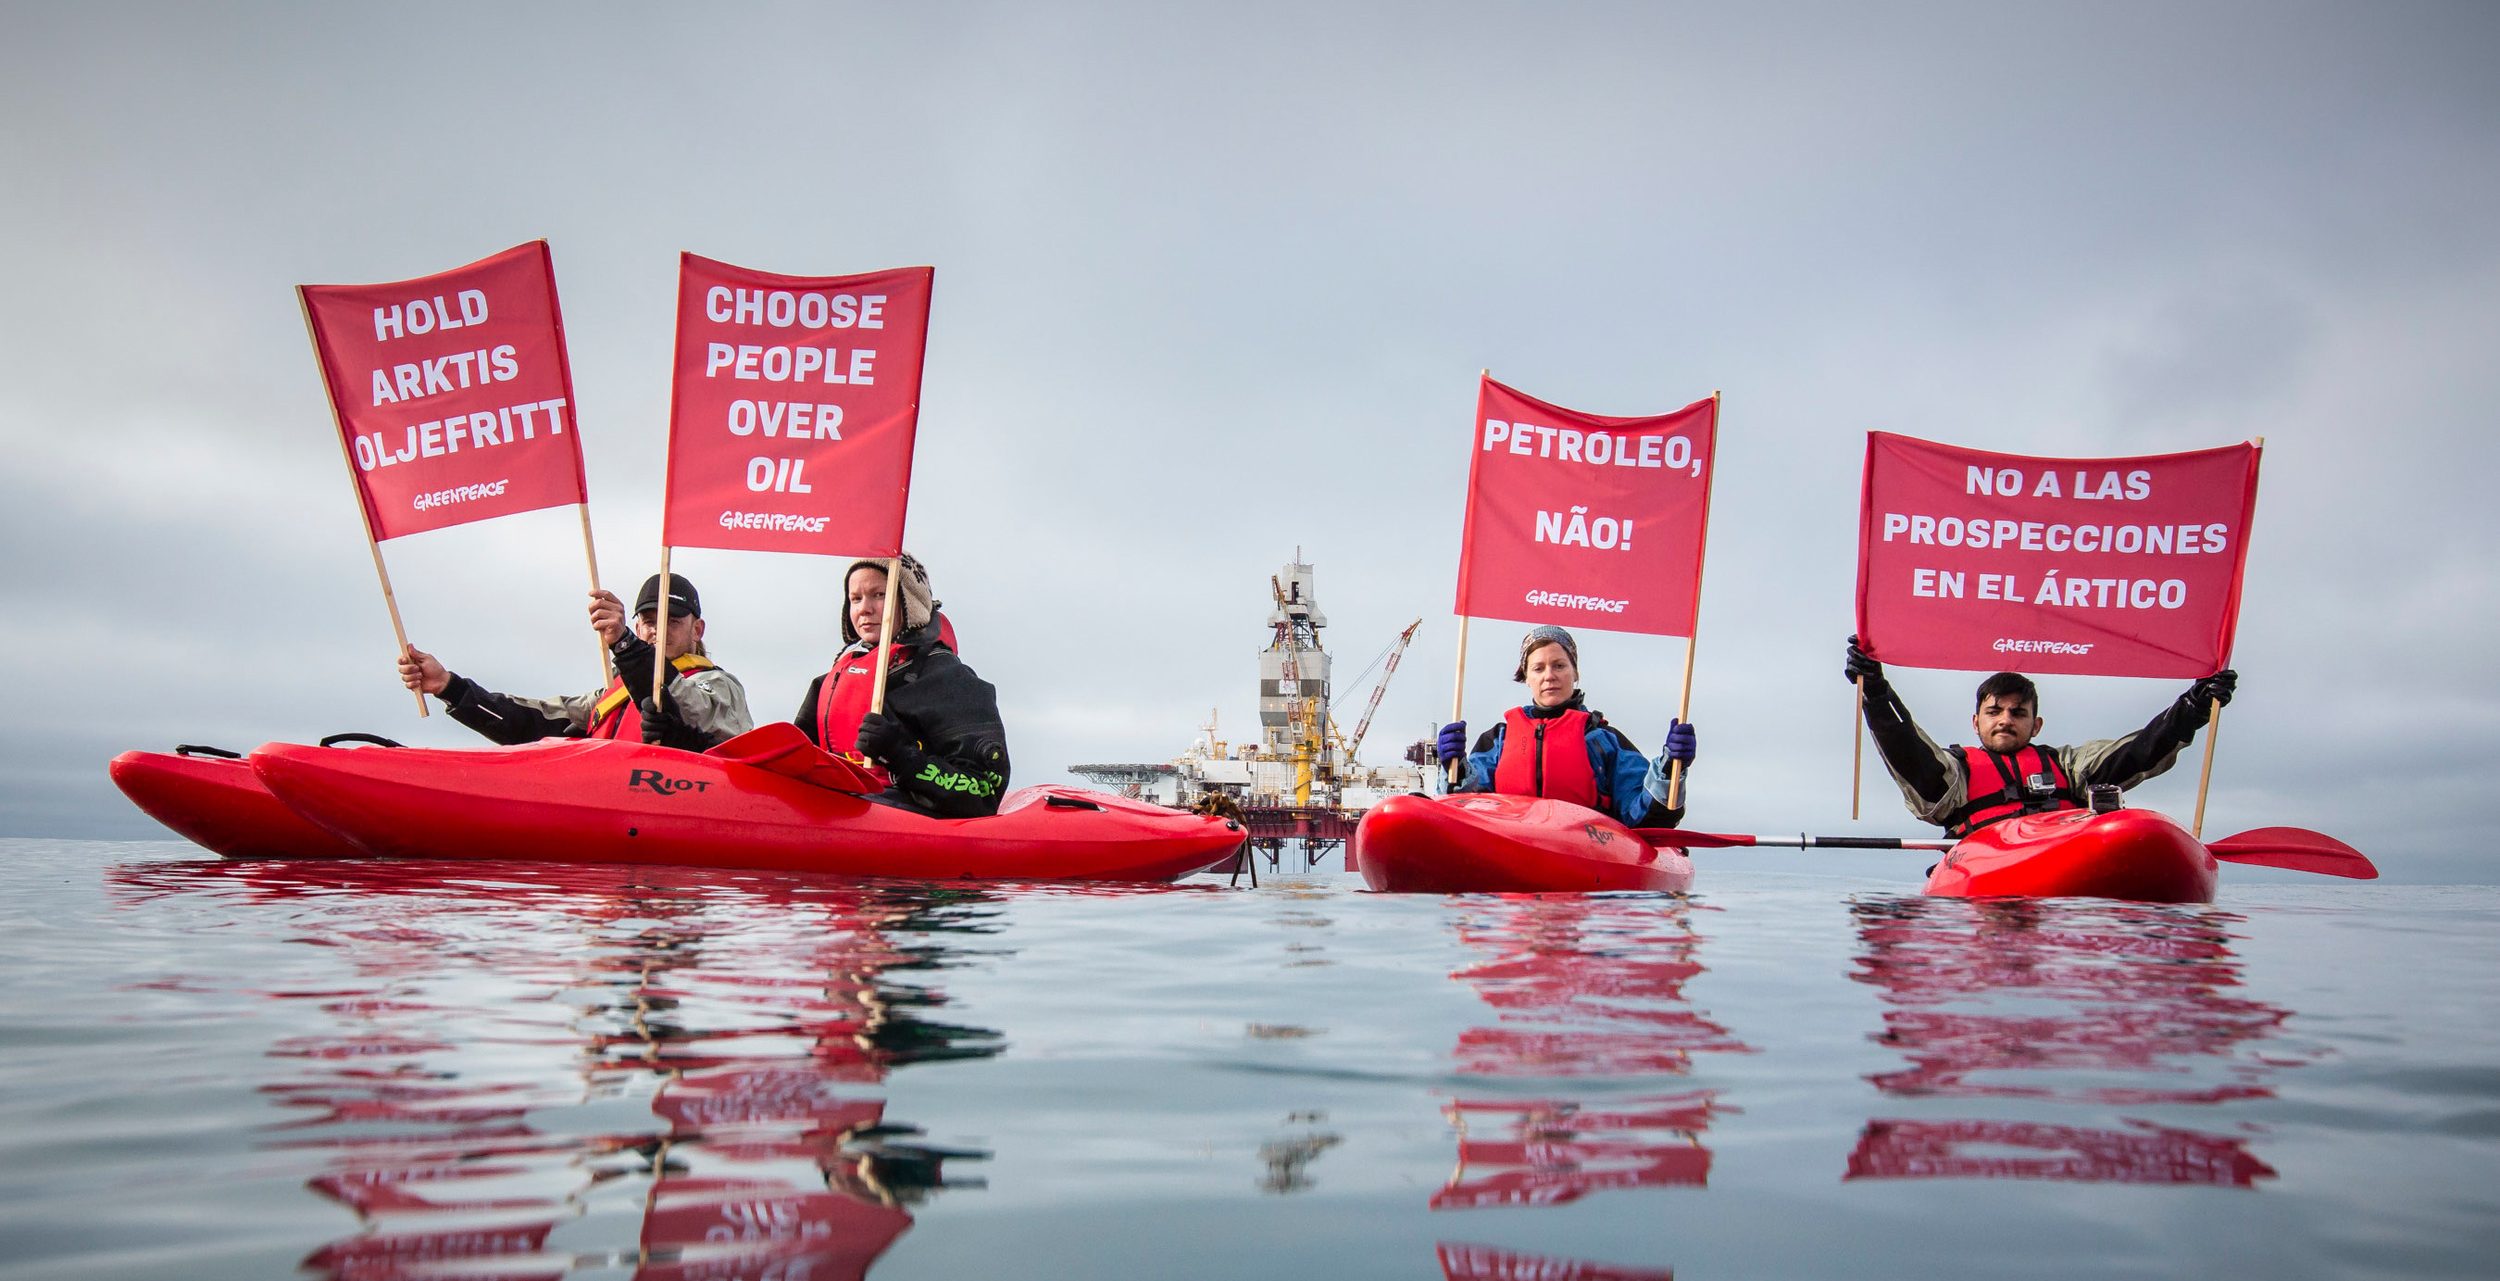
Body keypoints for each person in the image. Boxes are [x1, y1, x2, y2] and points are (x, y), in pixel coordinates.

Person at [1844, 634, 2237, 835]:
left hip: (2066, 861)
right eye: (1994, 711)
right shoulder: (1958, 771)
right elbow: (1910, 752)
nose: (2005, 720)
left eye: (2018, 713)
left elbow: (2139, 751)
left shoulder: (2068, 765)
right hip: (1986, 875)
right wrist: (1877, 692)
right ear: (1976, 722)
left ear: (2036, 725)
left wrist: (2195, 705)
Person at [399, 574, 754, 751]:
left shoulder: (722, 686)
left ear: (697, 629)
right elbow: (529, 719)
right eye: (648, 622)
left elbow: (686, 706)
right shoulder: (610, 695)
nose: (657, 632)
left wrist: (625, 644)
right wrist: (448, 686)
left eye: (672, 622)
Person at [792, 552, 1010, 818]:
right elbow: (797, 756)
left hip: (909, 824)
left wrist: (900, 754)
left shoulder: (951, 681)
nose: (864, 609)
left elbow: (983, 794)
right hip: (837, 809)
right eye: (855, 599)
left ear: (910, 602)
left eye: (879, 595)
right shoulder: (829, 681)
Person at [1434, 624, 1697, 828]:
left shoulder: (1603, 739)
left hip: (1587, 854)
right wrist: (1452, 765)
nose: (1549, 675)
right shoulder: (1497, 739)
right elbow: (1466, 804)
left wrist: (1671, 766)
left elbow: (1643, 814)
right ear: (1526, 678)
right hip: (1511, 845)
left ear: (1575, 672)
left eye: (1559, 665)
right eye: (1538, 668)